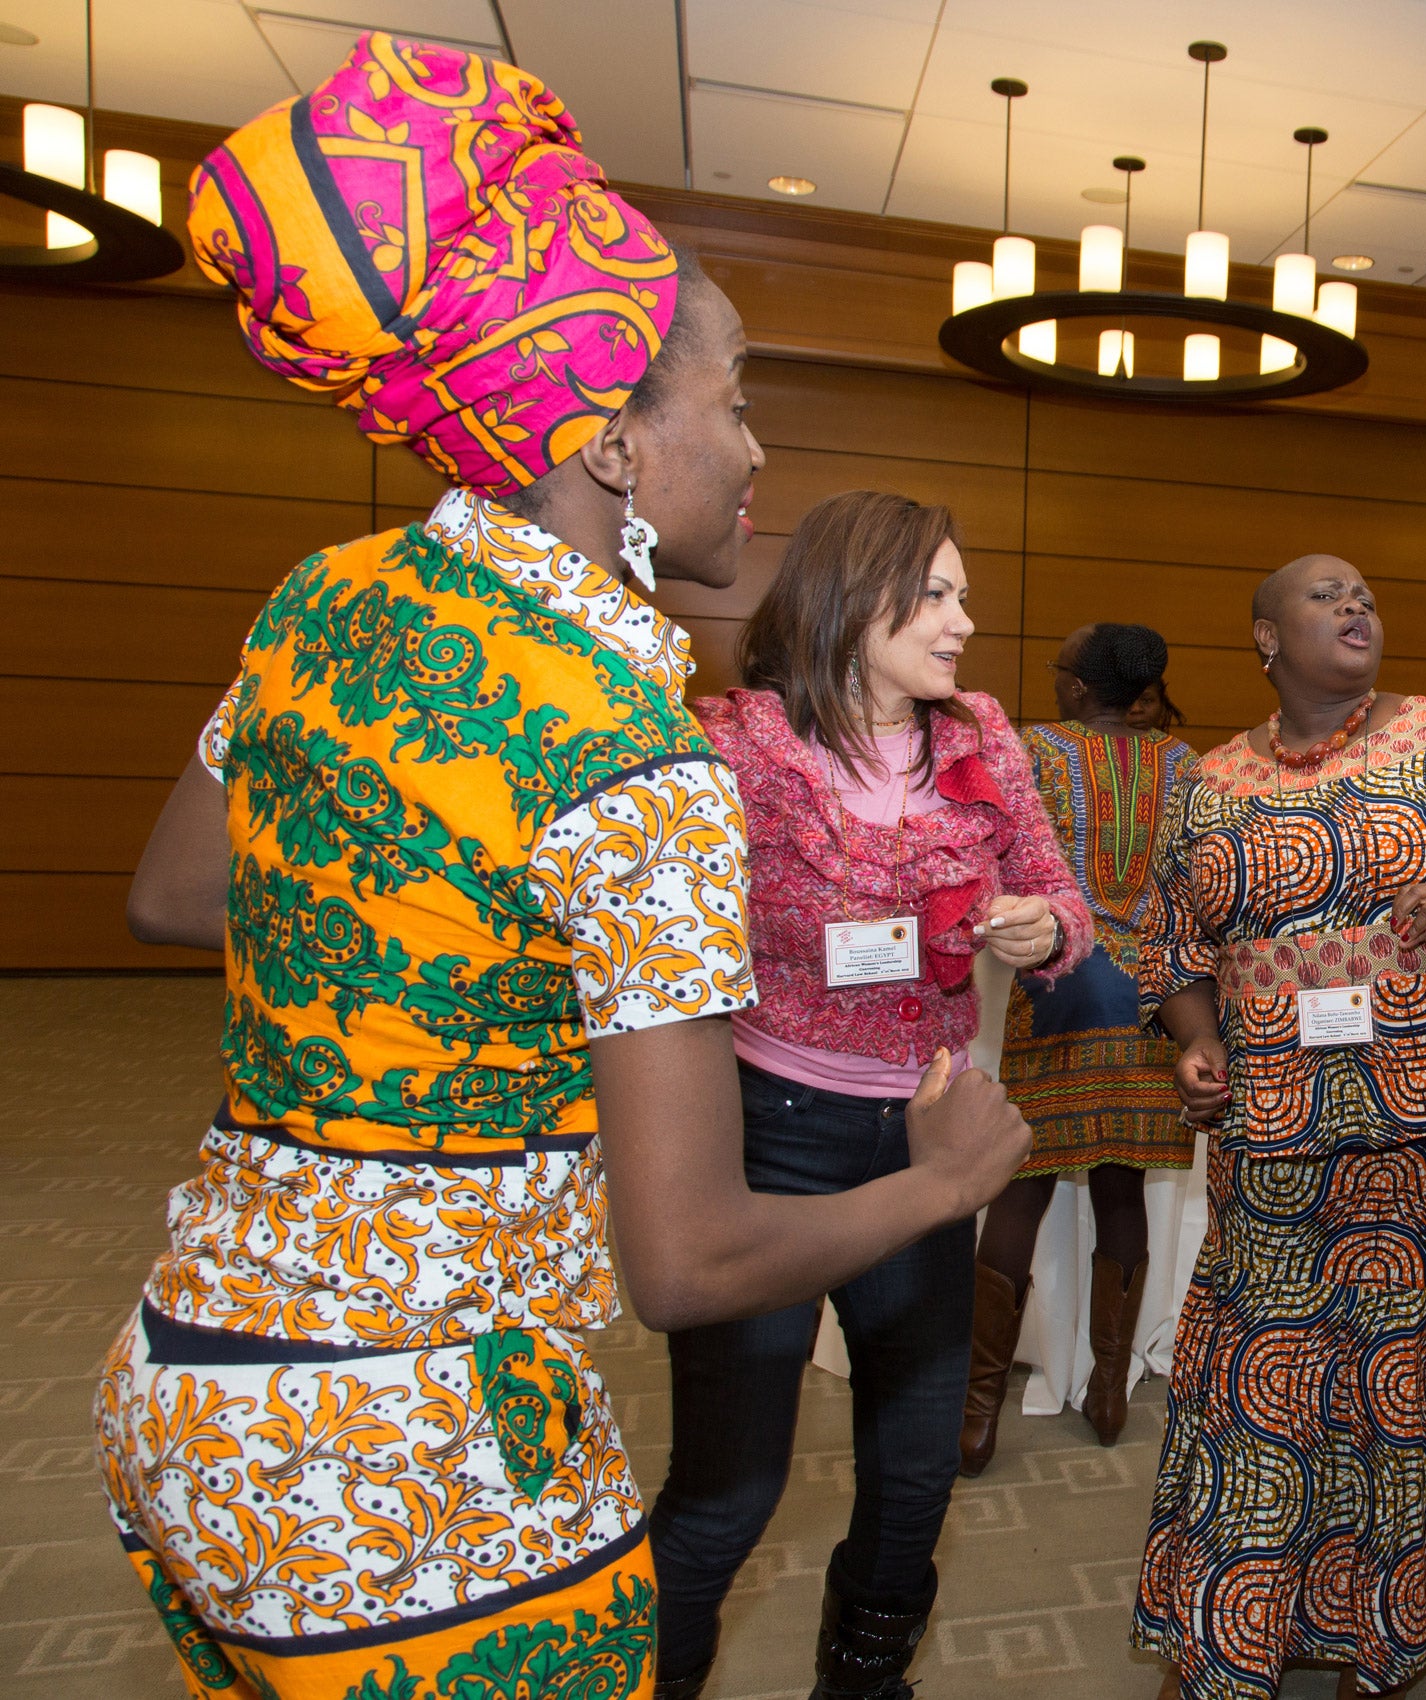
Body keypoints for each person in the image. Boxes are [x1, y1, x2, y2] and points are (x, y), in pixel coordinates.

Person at [107, 35, 1028, 1700]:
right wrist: (946, 1183)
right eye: (731, 398)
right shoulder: (637, 752)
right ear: (615, 444)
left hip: (189, 1392)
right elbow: (689, 1262)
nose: (755, 450)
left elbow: (176, 894)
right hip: (421, 1466)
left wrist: (448, 947)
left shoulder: (327, 593)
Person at [648, 490, 1093, 1700]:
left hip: (928, 1137)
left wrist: (1043, 922)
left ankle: (863, 1685)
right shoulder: (730, 741)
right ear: (856, 596)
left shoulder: (984, 734)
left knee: (911, 1481)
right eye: (937, 594)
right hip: (770, 1133)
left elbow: (1062, 895)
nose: (963, 621)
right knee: (728, 1490)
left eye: (962, 594)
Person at [1133, 553, 1426, 1700]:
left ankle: (1385, 1632)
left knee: (1402, 1359)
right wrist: (1198, 1041)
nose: (1356, 607)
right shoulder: (1211, 779)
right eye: (1326, 594)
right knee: (1262, 1361)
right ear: (1264, 635)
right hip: (1275, 1113)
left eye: (1368, 595)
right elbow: (1172, 945)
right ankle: (1243, 1623)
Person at [961, 622, 1196, 1472]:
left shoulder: (1030, 750)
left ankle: (977, 1410)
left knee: (1019, 1188)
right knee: (1121, 1186)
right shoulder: (1186, 765)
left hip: (1057, 985)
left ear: (1073, 685)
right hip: (1151, 1006)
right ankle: (1106, 1393)